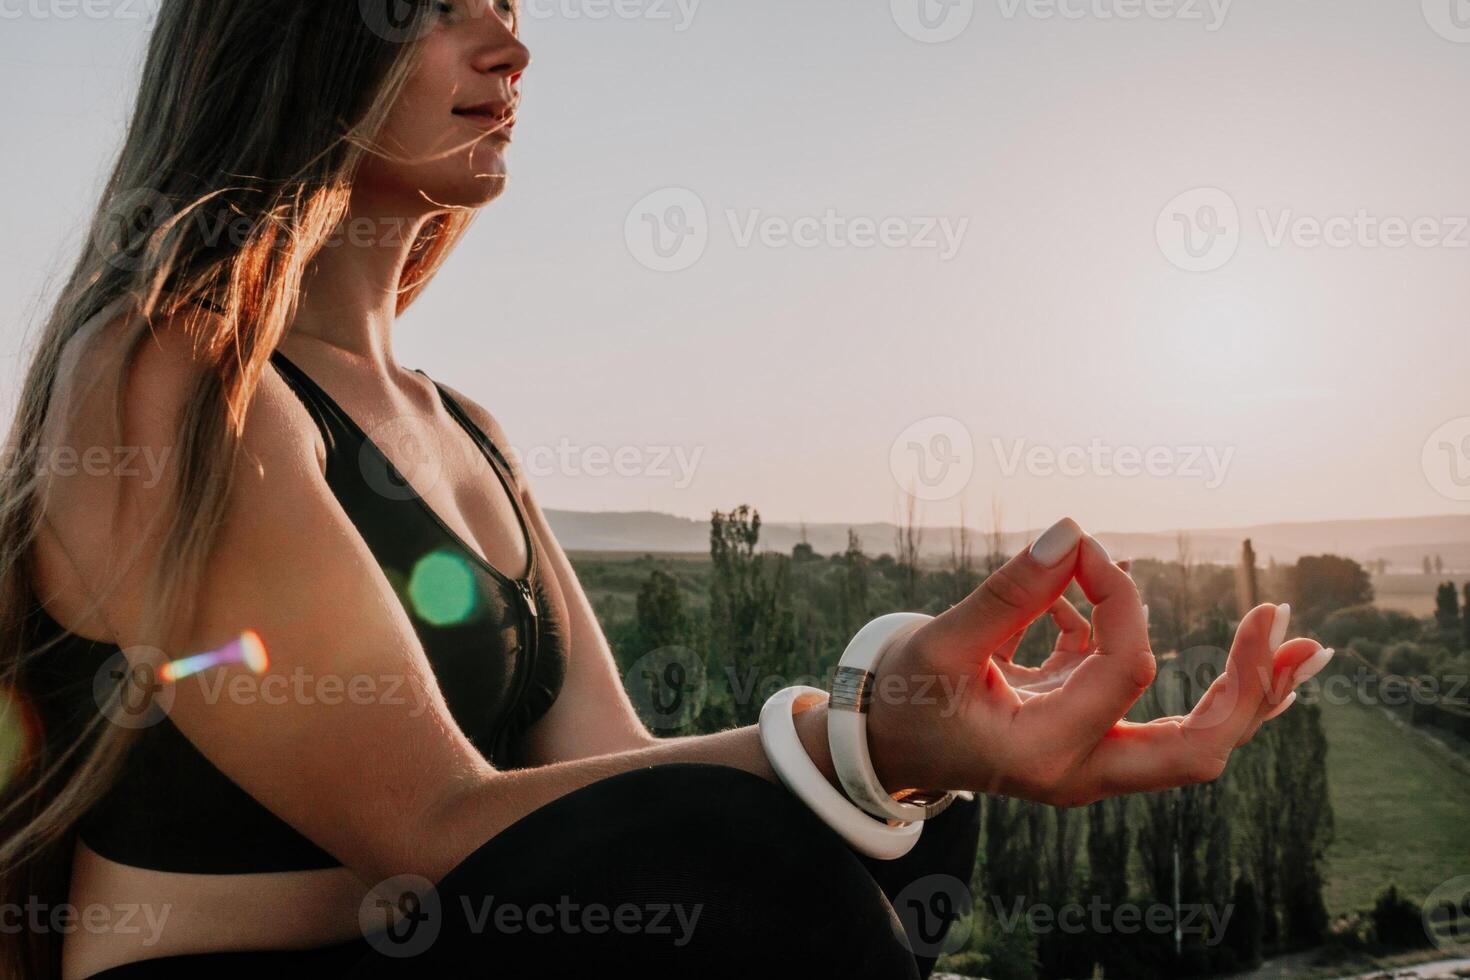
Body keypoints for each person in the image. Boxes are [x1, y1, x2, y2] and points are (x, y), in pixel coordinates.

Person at [0, 2, 1330, 977]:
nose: (510, 48)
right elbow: (428, 826)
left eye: (508, 12)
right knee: (751, 848)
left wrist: (922, 735)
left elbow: (598, 788)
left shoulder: (463, 425)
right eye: (433, 11)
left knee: (900, 840)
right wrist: (868, 739)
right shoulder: (167, 370)